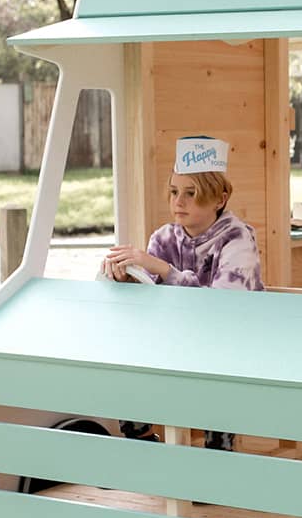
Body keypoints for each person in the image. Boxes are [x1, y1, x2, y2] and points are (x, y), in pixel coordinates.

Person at [103, 135, 263, 450]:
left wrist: (165, 271)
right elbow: (148, 301)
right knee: (127, 359)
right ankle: (143, 443)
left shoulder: (238, 239)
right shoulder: (163, 238)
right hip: (179, 341)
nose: (179, 202)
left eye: (192, 193)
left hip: (235, 342)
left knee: (217, 370)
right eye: (174, 192)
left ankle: (218, 453)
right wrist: (124, 278)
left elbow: (222, 307)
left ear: (220, 197)